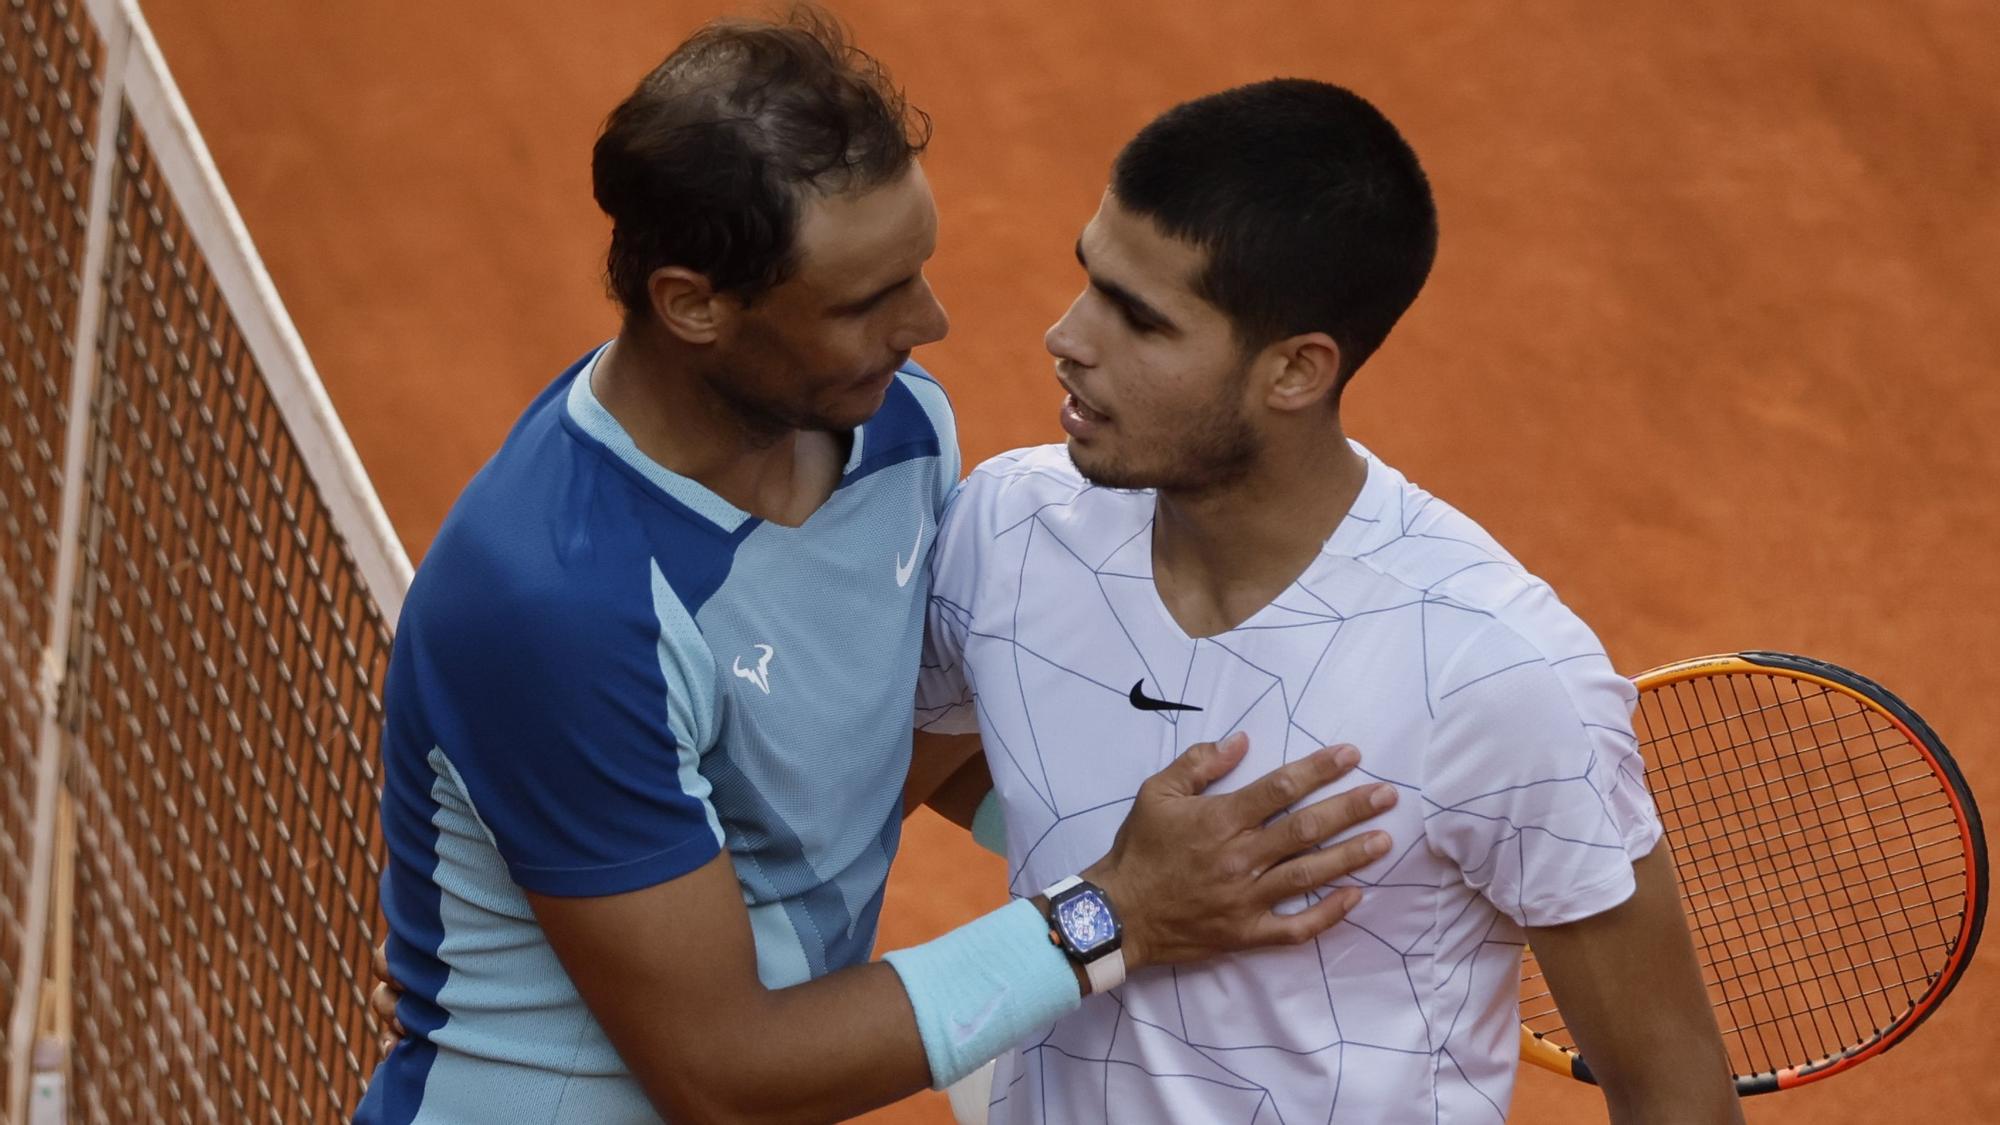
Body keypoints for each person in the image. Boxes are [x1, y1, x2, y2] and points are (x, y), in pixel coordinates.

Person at [353, 13, 1396, 1124]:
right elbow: (723, 1073)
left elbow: (888, 755)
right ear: (692, 305)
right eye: (866, 302)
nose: (930, 323)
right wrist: (1113, 913)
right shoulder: (557, 604)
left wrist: (1225, 864)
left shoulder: (892, 428)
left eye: (917, 271)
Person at [910, 80, 1743, 1124]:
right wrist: (1128, 878)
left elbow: (1670, 1085)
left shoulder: (1495, 673)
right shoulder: (1007, 531)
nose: (1066, 336)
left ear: (1295, 371)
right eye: (1090, 280)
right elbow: (887, 792)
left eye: (1140, 320)